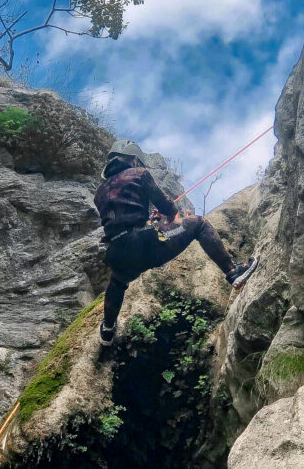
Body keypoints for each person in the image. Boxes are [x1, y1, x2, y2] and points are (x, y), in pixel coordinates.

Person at [94, 140, 258, 345]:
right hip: (146, 243)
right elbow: (167, 207)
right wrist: (167, 215)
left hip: (117, 252)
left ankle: (108, 329)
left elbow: (123, 219)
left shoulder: (99, 192)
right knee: (198, 224)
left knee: (118, 282)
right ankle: (233, 271)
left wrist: (150, 221)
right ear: (133, 157)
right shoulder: (139, 174)